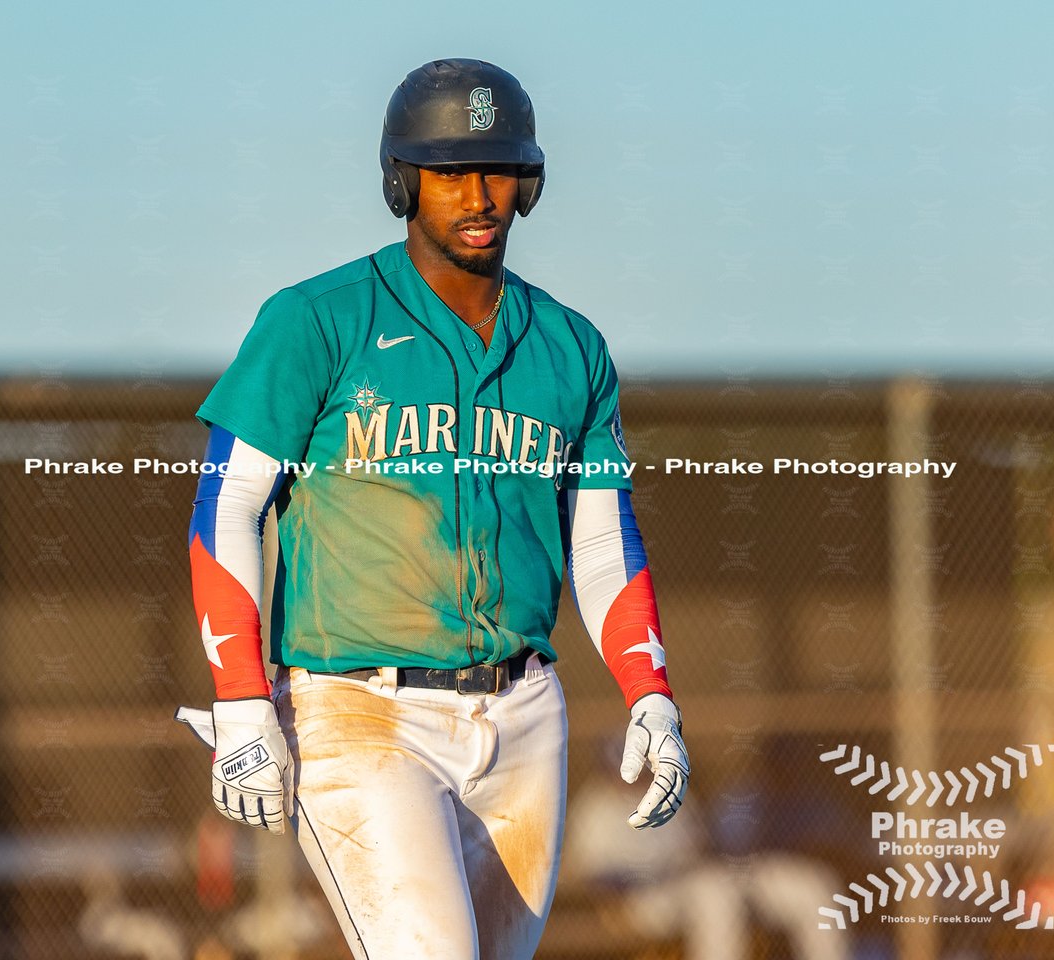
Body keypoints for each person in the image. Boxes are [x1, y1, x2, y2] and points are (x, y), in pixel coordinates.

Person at [180, 58, 690, 960]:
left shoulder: (572, 347)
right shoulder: (318, 320)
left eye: (497, 169)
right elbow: (228, 508)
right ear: (401, 180)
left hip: (526, 714)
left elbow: (604, 541)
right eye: (449, 171)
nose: (478, 194)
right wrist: (243, 705)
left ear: (528, 182)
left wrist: (652, 695)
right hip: (361, 713)